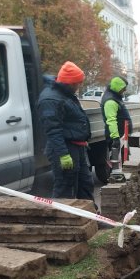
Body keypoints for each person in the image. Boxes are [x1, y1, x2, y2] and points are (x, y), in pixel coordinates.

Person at [37, 61, 96, 204]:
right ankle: (63, 222)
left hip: (77, 147)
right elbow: (53, 130)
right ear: (70, 83)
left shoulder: (65, 93)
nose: (78, 86)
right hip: (64, 148)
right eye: (77, 83)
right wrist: (63, 154)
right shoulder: (51, 99)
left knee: (85, 184)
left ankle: (91, 218)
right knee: (65, 187)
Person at [100, 76, 132, 167]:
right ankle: (118, 179)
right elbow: (111, 121)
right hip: (117, 138)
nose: (124, 90)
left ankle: (122, 178)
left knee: (124, 163)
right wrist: (115, 139)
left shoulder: (115, 97)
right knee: (117, 166)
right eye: (123, 88)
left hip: (121, 137)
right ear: (118, 87)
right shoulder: (110, 101)